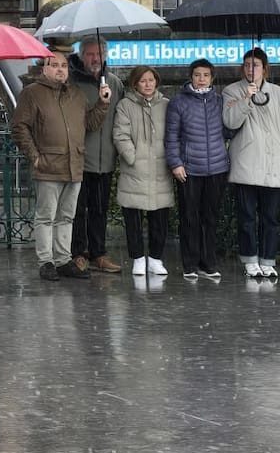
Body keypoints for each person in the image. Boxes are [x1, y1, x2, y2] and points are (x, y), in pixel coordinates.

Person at [11, 46, 110, 282]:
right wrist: (34, 155)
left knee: (67, 216)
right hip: (47, 165)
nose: (59, 70)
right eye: (54, 65)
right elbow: (19, 127)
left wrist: (103, 103)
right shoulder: (32, 93)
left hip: (74, 164)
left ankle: (63, 259)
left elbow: (90, 124)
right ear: (44, 68)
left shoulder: (76, 94)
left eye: (63, 65)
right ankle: (46, 261)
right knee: (46, 216)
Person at [165, 58, 229, 280]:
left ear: (212, 78)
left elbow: (229, 128)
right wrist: (176, 163)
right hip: (189, 169)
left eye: (206, 75)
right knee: (190, 218)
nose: (201, 79)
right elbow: (171, 137)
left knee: (210, 218)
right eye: (197, 75)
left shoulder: (219, 101)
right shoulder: (178, 103)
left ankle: (208, 264)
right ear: (190, 77)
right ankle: (190, 264)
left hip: (217, 168)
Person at [68, 36, 124, 274]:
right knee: (78, 210)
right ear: (82, 56)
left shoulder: (114, 82)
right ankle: (79, 253)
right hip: (81, 157)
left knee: (100, 209)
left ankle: (98, 253)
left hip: (106, 159)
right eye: (90, 54)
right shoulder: (72, 83)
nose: (95, 59)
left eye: (99, 54)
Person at [222, 47, 280, 280]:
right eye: (246, 65)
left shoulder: (277, 92)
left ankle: (268, 260)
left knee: (271, 218)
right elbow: (230, 122)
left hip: (273, 164)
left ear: (264, 68)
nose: (250, 69)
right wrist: (246, 98)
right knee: (246, 218)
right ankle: (249, 260)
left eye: (255, 65)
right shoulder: (231, 91)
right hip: (246, 164)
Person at [113, 65, 174, 277]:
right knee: (133, 217)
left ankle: (156, 258)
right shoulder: (125, 105)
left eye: (151, 80)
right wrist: (133, 157)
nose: (147, 84)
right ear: (134, 83)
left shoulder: (166, 105)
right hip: (135, 169)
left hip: (160, 168)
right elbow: (121, 135)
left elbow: (174, 133)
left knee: (159, 217)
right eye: (142, 81)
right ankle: (138, 258)